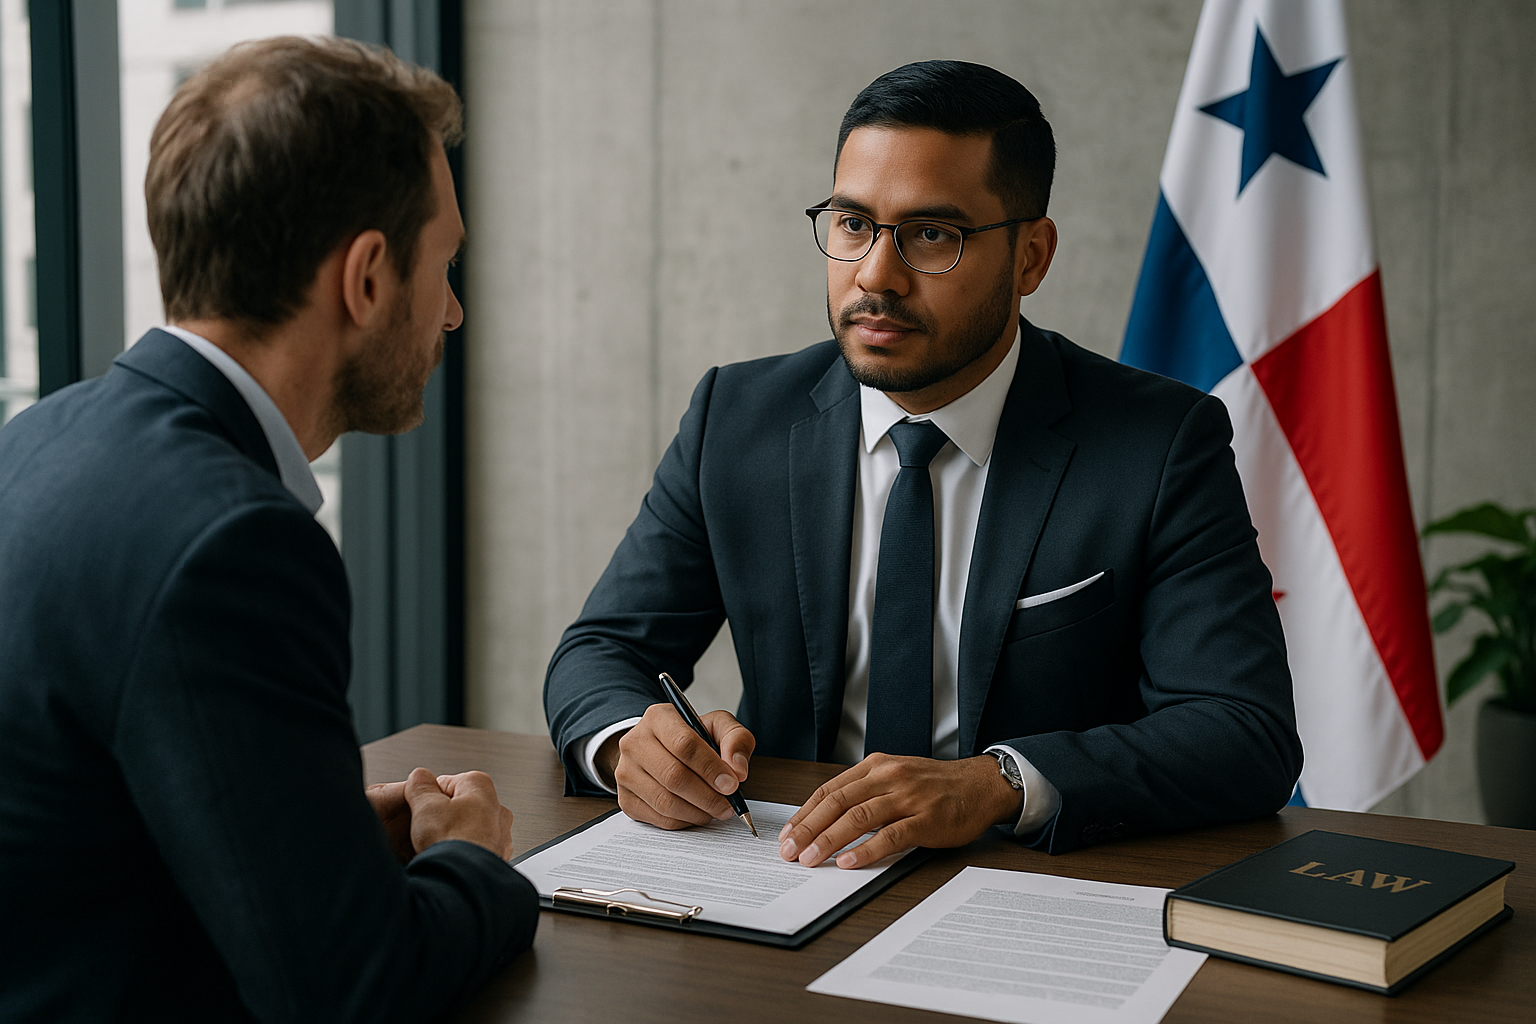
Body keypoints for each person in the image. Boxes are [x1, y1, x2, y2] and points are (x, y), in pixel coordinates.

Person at [544, 60, 1302, 867]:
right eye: (852, 224)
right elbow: (601, 652)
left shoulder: (1159, 443)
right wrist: (631, 744)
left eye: (931, 235)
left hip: (1025, 892)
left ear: (1031, 258)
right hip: (780, 870)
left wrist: (995, 784)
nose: (875, 274)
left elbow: (1241, 730)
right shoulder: (737, 418)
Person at [0, 37, 536, 1021]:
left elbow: (71, 841)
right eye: (444, 265)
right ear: (369, 277)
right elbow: (356, 992)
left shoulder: (34, 442)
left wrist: (317, 831)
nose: (452, 313)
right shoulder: (232, 540)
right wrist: (471, 856)